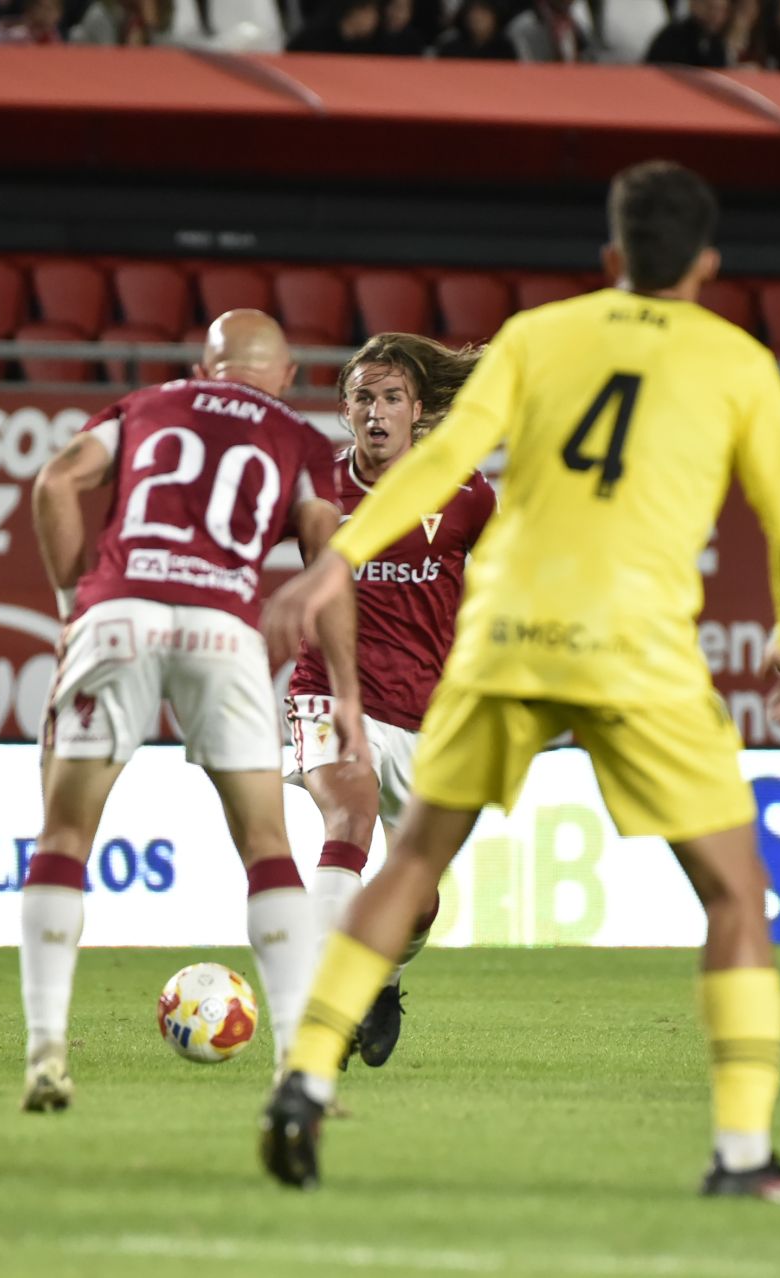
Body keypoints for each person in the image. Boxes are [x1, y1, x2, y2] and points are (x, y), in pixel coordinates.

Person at [257, 160, 780, 1200]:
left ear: (611, 259)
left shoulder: (542, 336)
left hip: (510, 634)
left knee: (412, 861)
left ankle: (301, 1079)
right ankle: (742, 1155)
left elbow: (438, 468)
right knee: (736, 894)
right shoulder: (738, 361)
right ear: (706, 264)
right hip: (637, 644)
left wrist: (340, 553)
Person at [18, 309, 358, 1113]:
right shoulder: (299, 438)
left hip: (119, 614)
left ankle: (45, 1054)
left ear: (206, 367)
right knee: (268, 845)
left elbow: (57, 480)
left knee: (65, 835)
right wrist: (345, 687)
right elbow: (328, 555)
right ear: (288, 372)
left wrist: (77, 609)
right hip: (222, 626)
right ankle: (297, 1068)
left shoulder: (146, 406)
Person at [283, 334, 493, 1070]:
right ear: (345, 410)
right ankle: (316, 1016)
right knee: (351, 812)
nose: (376, 412)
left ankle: (384, 981)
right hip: (327, 694)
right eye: (363, 397)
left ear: (419, 411)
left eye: (392, 398)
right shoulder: (313, 491)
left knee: (421, 897)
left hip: (425, 714)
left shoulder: (467, 495)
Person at [645, 0, 732, 67]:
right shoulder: (673, 38)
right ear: (694, 4)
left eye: (722, 10)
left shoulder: (717, 42)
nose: (716, 16)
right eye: (711, 8)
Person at [288, 0, 381, 51]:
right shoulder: (314, 38)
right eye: (370, 12)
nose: (375, 19)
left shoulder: (371, 45)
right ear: (355, 12)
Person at [433, 0, 514, 58]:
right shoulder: (450, 47)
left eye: (484, 14)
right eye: (474, 14)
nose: (478, 19)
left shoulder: (504, 48)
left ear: (494, 17)